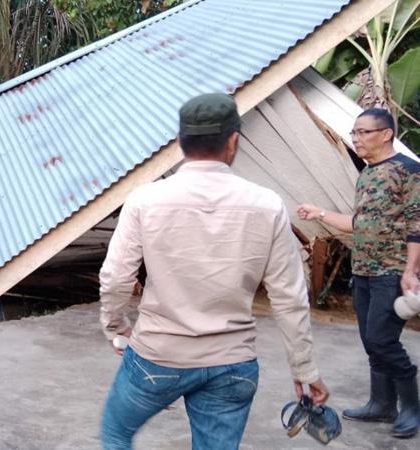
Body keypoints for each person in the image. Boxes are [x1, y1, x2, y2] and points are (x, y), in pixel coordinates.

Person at [98, 93, 329, 450]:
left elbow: (115, 278)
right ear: (233, 141)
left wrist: (117, 326)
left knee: (116, 433)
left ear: (179, 142)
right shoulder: (266, 205)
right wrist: (304, 370)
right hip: (232, 364)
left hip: (158, 356)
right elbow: (289, 297)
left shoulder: (145, 200)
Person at [297, 107, 419, 438]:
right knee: (371, 340)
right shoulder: (367, 173)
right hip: (363, 269)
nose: (356, 139)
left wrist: (411, 270)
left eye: (363, 132)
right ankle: (381, 404)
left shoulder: (408, 171)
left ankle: (411, 406)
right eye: (354, 133)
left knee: (382, 339)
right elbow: (359, 223)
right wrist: (319, 212)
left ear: (386, 134)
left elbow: (416, 223)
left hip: (392, 271)